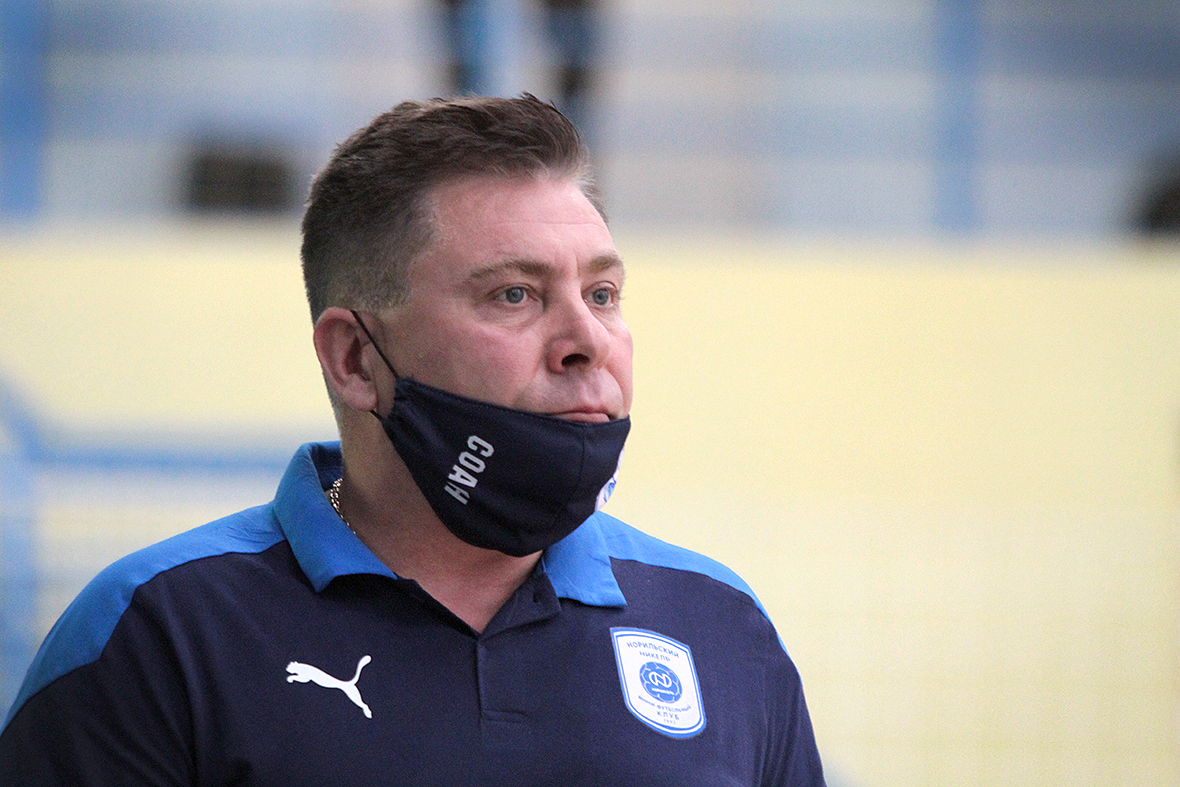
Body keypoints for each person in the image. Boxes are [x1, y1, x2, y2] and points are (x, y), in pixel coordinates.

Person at [0, 95, 825, 786]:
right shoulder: (159, 634)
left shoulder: (723, 628)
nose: (587, 340)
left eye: (603, 293)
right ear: (355, 359)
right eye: (515, 294)